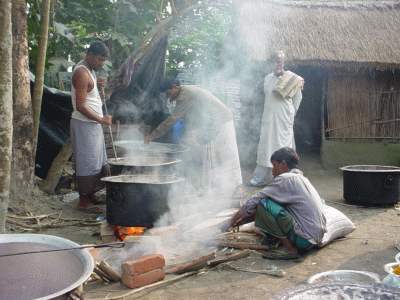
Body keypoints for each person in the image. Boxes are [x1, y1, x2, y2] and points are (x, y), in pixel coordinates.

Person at [144, 77, 244, 199]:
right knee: (211, 154)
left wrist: (153, 134)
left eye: (169, 93)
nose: (169, 97)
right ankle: (214, 187)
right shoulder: (186, 91)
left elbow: (173, 118)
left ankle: (239, 186)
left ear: (174, 87)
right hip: (212, 122)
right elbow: (190, 115)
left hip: (222, 120)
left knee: (227, 154)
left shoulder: (185, 94)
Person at [222, 147, 326, 260]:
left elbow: (254, 201)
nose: (272, 171)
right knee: (270, 204)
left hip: (303, 239)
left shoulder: (285, 179)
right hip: (314, 239)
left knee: (264, 203)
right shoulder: (302, 179)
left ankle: (290, 248)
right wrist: (241, 221)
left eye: (274, 166)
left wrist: (230, 221)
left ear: (283, 164)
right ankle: (286, 243)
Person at [249, 51, 304, 187]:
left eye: (279, 61)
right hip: (268, 118)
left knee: (282, 148)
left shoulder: (292, 79)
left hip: (284, 119)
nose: (276, 64)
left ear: (284, 62)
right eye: (273, 61)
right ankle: (258, 180)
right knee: (265, 147)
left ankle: (279, 181)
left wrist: (290, 115)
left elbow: (297, 99)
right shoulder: (267, 78)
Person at [70, 41, 112, 214]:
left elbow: (89, 93)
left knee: (96, 160)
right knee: (87, 163)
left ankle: (92, 195)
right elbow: (80, 106)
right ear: (90, 55)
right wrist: (101, 120)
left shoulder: (91, 71)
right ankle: (83, 201)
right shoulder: (81, 73)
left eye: (103, 61)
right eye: (99, 60)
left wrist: (97, 84)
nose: (101, 64)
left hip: (92, 125)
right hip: (84, 125)